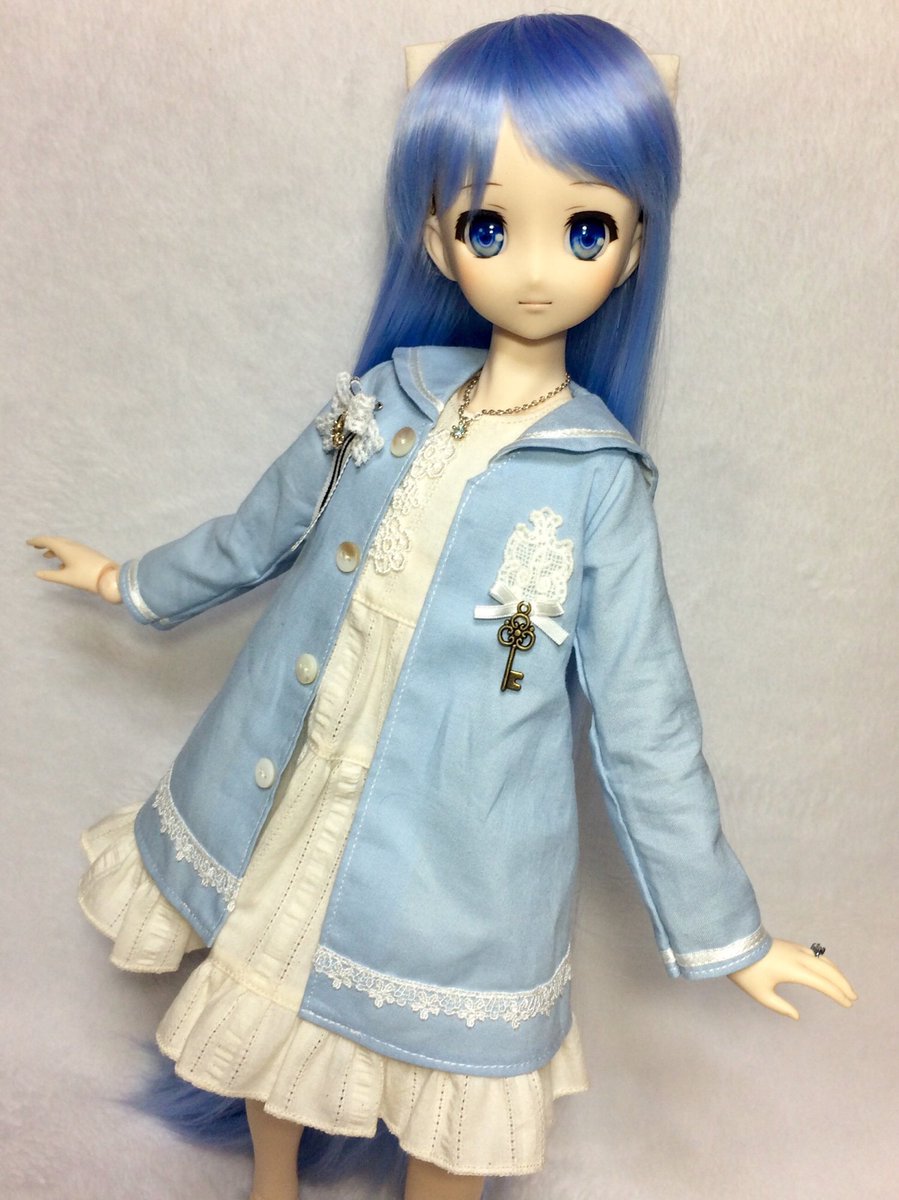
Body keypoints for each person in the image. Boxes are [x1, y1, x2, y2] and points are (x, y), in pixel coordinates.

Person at [28, 15, 855, 1200]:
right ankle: (273, 1186)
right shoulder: (386, 396)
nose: (533, 268)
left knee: (447, 1109)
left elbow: (644, 720)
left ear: (630, 249)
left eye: (583, 228)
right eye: (487, 226)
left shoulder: (596, 480)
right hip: (301, 790)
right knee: (269, 1010)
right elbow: (265, 528)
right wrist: (131, 579)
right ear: (435, 234)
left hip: (460, 864)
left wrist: (728, 932)